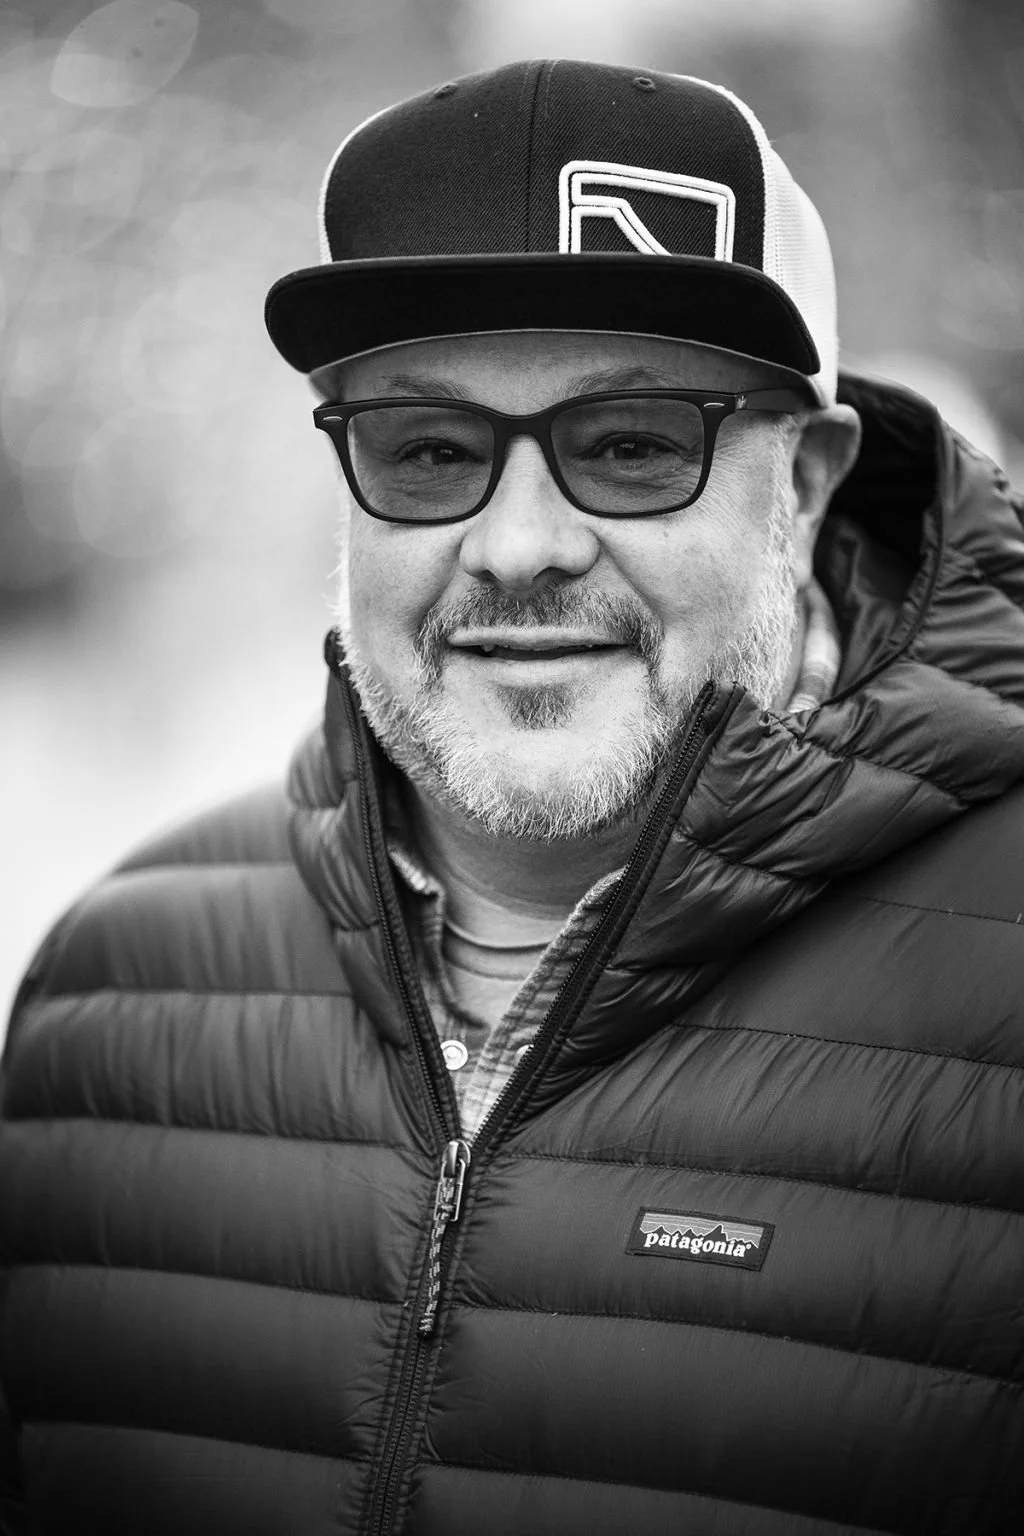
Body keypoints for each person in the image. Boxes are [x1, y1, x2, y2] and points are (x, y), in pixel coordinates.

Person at [2, 57, 1024, 1536]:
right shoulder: (106, 1000)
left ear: (804, 483)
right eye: (429, 450)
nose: (519, 544)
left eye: (630, 446)